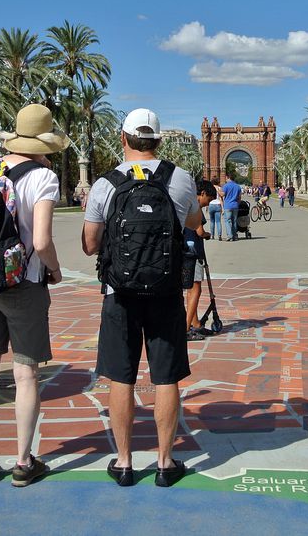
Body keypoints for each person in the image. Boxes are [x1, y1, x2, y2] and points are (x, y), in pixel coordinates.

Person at [82, 108, 202, 488]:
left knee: (122, 376)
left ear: (123, 138)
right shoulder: (179, 178)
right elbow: (196, 224)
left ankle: (124, 462)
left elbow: (89, 244)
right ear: (160, 141)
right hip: (166, 292)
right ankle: (166, 463)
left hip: (120, 292)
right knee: (165, 378)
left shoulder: (106, 183)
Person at [0, 104, 67, 487]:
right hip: (22, 283)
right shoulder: (44, 177)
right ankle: (24, 461)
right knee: (25, 375)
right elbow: (40, 240)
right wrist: (54, 271)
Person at [185, 180, 217, 341]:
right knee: (196, 289)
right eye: (209, 200)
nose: (208, 204)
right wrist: (207, 235)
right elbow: (199, 231)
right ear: (202, 193)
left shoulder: (185, 203)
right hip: (194, 253)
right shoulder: (196, 207)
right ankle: (186, 327)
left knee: (190, 289)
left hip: (183, 252)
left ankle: (195, 323)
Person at [221, 172, 242, 241]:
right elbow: (239, 198)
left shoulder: (226, 186)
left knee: (228, 221)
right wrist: (237, 204)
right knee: (234, 221)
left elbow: (222, 194)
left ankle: (230, 236)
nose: (225, 179)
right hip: (235, 206)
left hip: (228, 206)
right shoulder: (238, 186)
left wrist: (218, 191)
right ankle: (235, 236)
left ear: (228, 177)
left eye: (226, 178)